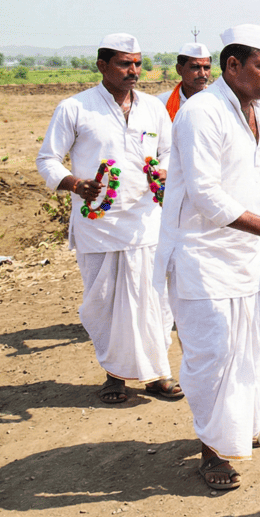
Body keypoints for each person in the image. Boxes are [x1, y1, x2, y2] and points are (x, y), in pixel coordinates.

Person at [157, 24, 260, 490]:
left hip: (245, 255)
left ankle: (238, 429)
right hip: (203, 258)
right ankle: (213, 452)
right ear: (232, 66)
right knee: (213, 355)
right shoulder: (201, 113)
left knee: (249, 346)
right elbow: (207, 196)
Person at [37, 32, 179, 405]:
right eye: (124, 63)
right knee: (104, 304)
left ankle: (156, 375)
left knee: (153, 300)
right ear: (102, 66)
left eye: (137, 63)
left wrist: (163, 171)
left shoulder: (153, 107)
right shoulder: (76, 107)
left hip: (146, 220)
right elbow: (47, 159)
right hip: (97, 225)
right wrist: (73, 183)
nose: (134, 70)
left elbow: (168, 151)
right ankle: (115, 375)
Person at [159, 42, 212, 120]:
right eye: (195, 67)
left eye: (206, 67)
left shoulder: (218, 101)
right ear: (179, 69)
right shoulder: (162, 103)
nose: (202, 73)